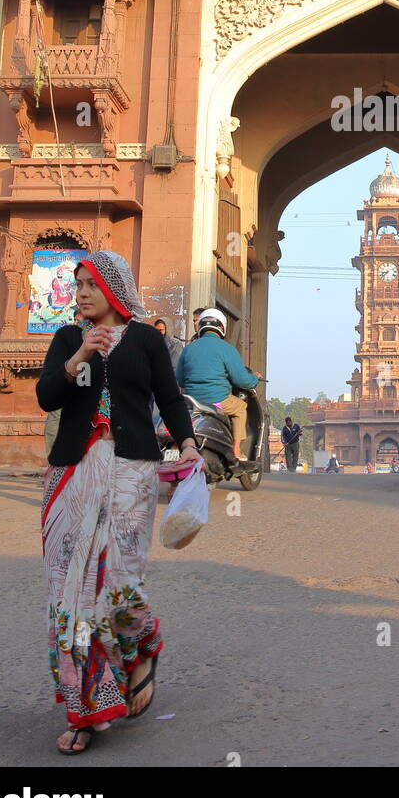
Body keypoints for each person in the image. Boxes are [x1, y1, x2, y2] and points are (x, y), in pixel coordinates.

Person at [36, 250, 203, 756]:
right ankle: (85, 708)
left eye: (91, 284)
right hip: (72, 476)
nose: (81, 292)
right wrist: (80, 355)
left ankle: (143, 645)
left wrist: (188, 441)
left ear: (114, 289)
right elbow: (47, 397)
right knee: (70, 593)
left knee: (120, 588)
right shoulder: (68, 339)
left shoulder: (149, 341)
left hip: (132, 474)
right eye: (77, 283)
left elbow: (170, 398)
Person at [174, 309, 260, 461]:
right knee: (240, 407)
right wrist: (254, 379)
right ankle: (236, 450)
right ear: (222, 327)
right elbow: (241, 380)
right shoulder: (227, 349)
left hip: (190, 402)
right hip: (217, 400)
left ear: (200, 325)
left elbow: (180, 380)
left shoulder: (188, 349)